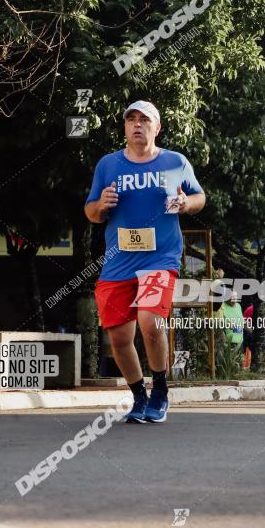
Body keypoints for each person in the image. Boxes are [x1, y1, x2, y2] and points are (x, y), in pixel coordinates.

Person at [85, 100, 206, 423]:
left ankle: (161, 390)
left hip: (159, 259)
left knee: (150, 323)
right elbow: (91, 212)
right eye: (131, 120)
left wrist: (185, 202)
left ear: (157, 127)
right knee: (119, 338)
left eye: (144, 120)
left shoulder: (174, 162)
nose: (137, 125)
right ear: (125, 127)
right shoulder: (108, 165)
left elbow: (199, 197)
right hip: (118, 262)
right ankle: (139, 396)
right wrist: (102, 204)